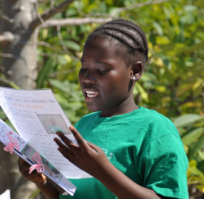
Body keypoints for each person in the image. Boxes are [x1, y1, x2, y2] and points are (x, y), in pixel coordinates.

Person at [18, 19, 189, 199]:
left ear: (135, 71)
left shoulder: (156, 130)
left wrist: (101, 171)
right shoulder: (84, 125)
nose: (87, 79)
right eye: (84, 68)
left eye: (101, 70)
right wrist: (44, 182)